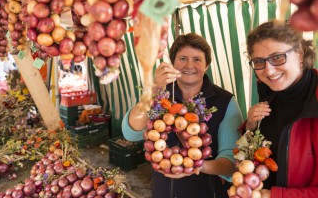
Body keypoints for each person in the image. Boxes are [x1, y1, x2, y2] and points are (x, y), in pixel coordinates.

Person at [122, 33, 244, 198]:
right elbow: (131, 132)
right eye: (182, 58)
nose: (189, 65)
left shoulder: (225, 101)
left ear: (207, 65)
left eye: (197, 59)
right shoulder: (160, 95)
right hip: (163, 191)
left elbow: (231, 162)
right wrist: (154, 90)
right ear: (173, 63)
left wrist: (195, 166)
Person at [245, 20, 318, 197]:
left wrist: (274, 195)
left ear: (300, 54)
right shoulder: (268, 95)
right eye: (259, 61)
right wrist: (250, 127)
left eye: (277, 57)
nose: (269, 71)